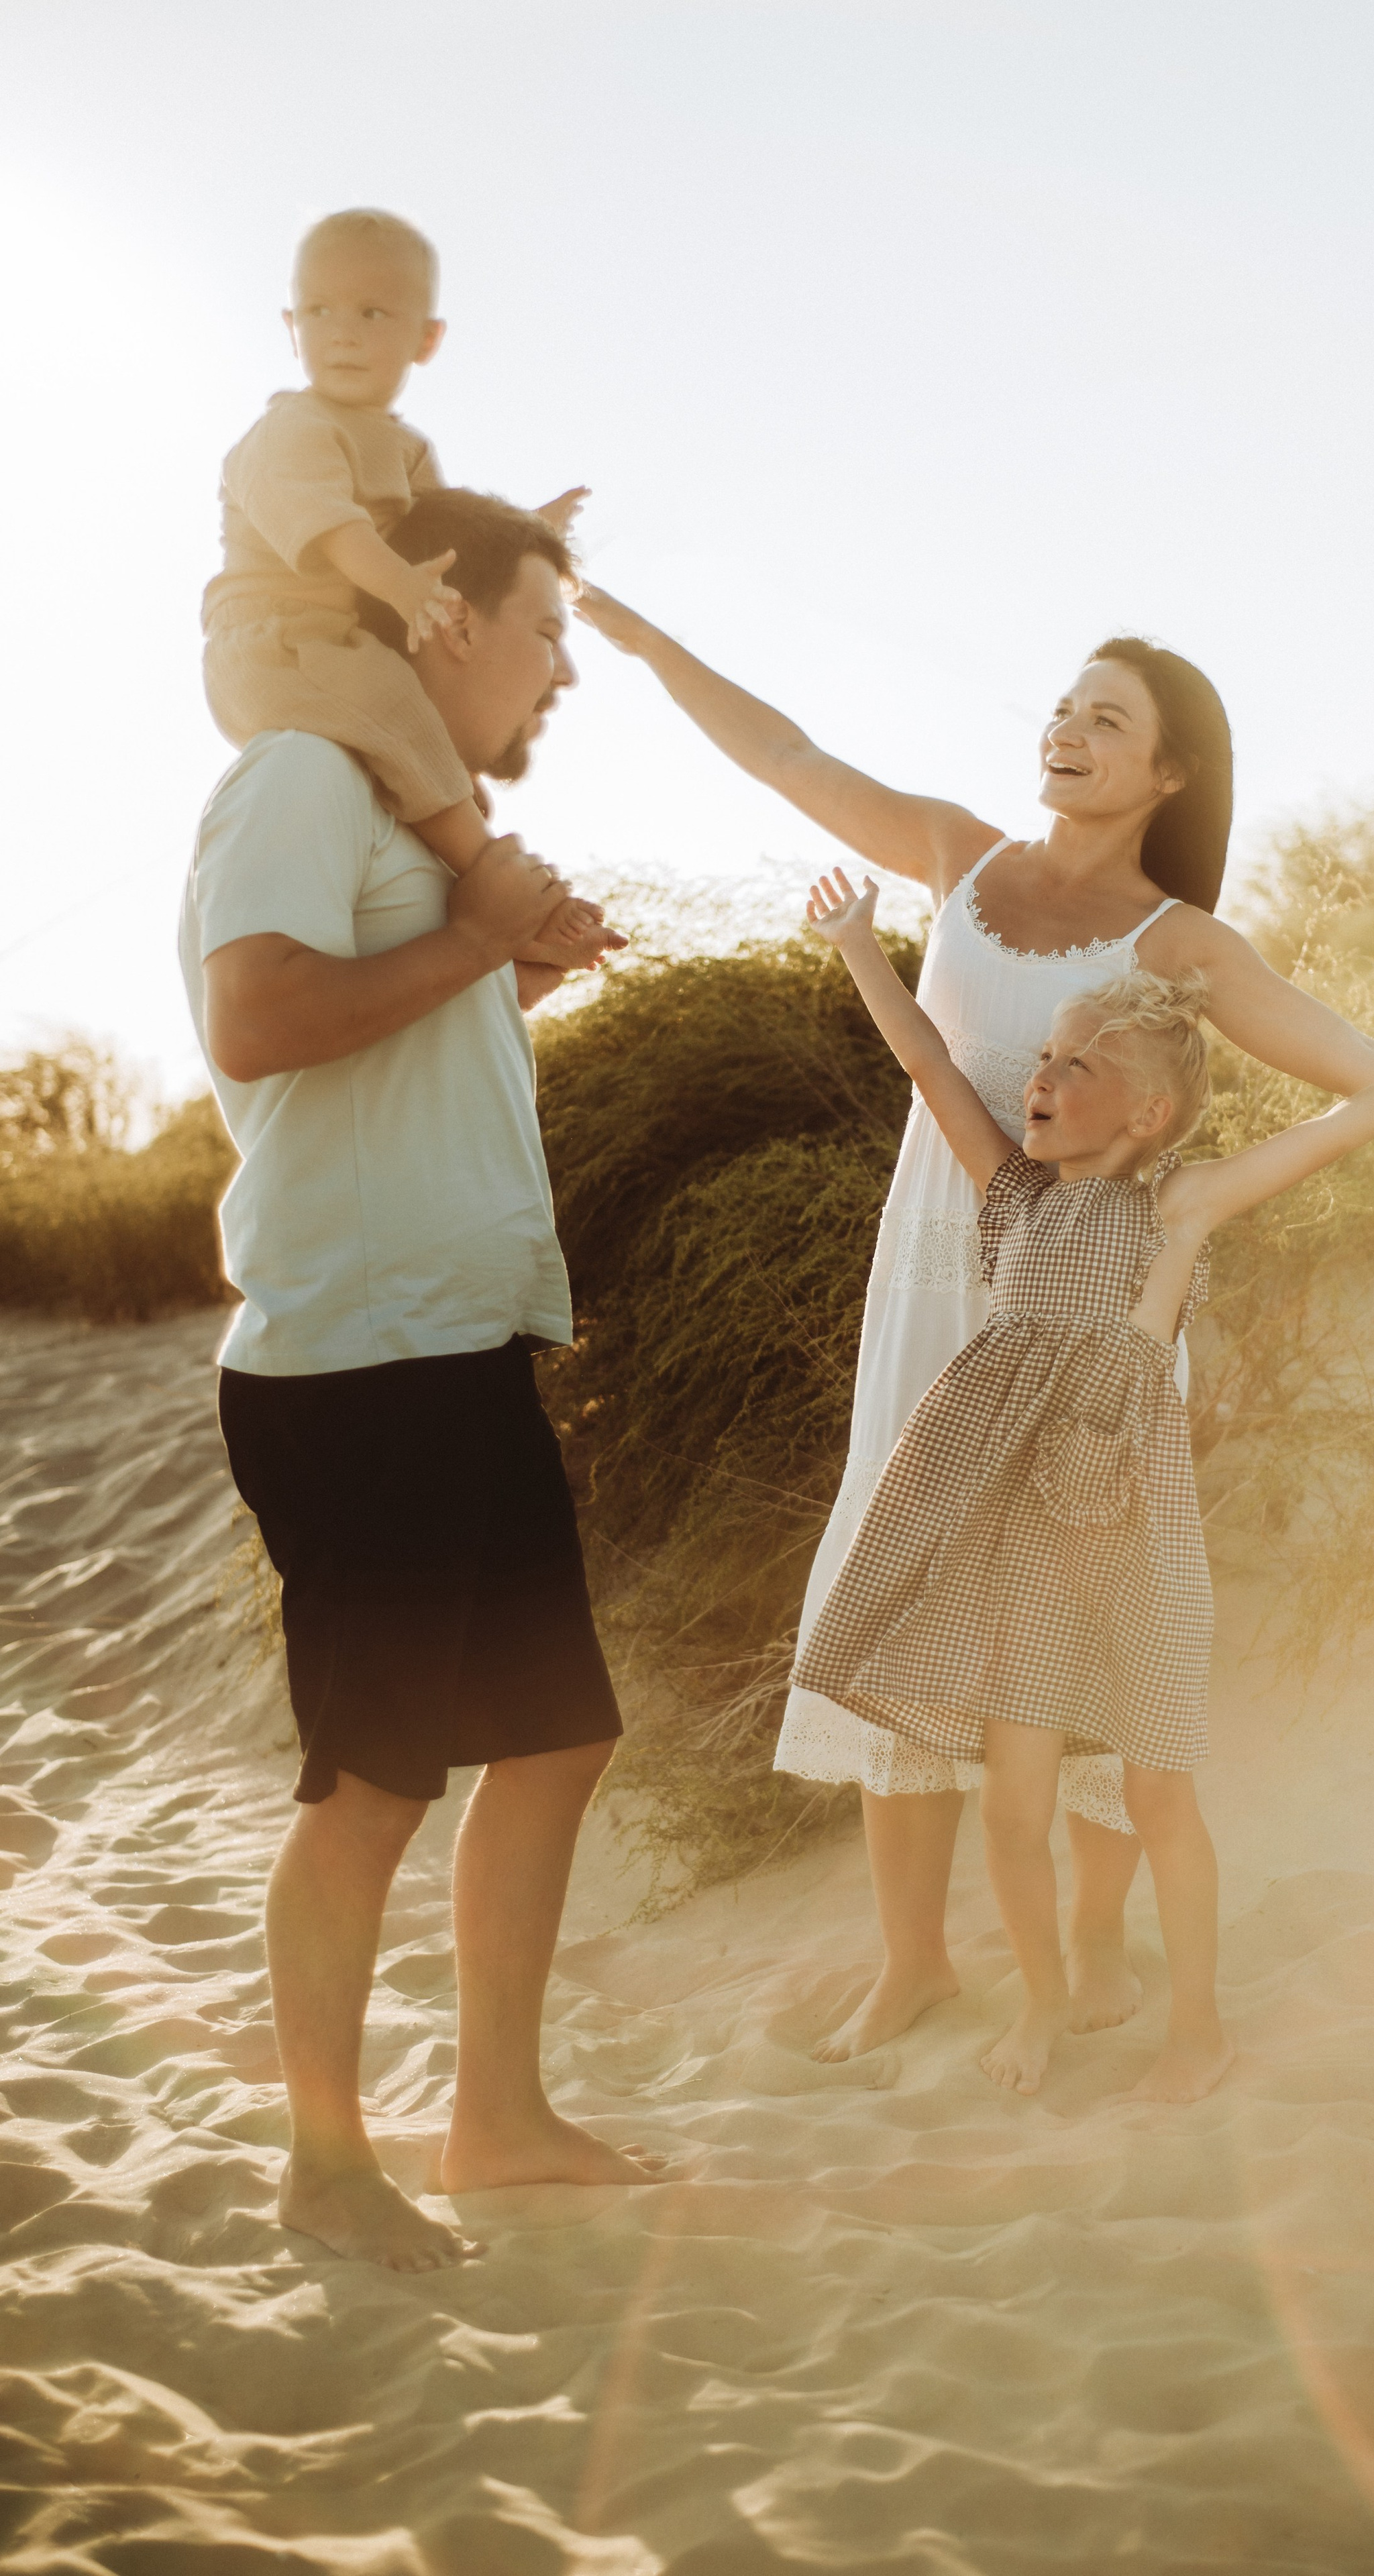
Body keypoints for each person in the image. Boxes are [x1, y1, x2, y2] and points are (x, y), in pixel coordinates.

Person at [573, 587, 1374, 2065]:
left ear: (1167, 776)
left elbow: (1360, 1066)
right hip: (940, 1267)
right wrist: (645, 648)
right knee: (897, 1572)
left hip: (1092, 1305)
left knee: (1078, 1611)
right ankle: (910, 1963)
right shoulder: (959, 857)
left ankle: (1090, 1952)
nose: (1067, 732)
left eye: (1107, 720)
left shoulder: (1180, 944)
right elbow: (782, 751)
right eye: (1062, 706)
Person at [796, 867, 1374, 2099]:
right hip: (1011, 1534)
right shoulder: (1012, 1195)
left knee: (1156, 1794)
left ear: (1148, 1115)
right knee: (1010, 1803)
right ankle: (1042, 2004)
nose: (1038, 1079)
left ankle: (1198, 2025)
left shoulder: (1181, 1210)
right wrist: (854, 946)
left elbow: (1353, 1120)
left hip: (1122, 1535)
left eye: (1073, 1067)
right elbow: (931, 1065)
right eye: (1045, 1057)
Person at [182, 488, 643, 2275]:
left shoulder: (405, 823)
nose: (562, 674)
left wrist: (505, 968)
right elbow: (255, 1018)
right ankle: (326, 2164)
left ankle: (497, 2121)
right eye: (544, 631)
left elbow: (385, 1031)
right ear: (444, 616)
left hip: (452, 1345)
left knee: (557, 1737)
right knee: (373, 1786)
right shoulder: (301, 773)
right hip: (353, 1363)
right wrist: (475, 942)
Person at [203, 205, 590, 959]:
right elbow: (337, 531)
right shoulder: (292, 432)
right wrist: (407, 589)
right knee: (396, 716)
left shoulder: (405, 446)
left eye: (372, 312)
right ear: (290, 326)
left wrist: (531, 531)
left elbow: (447, 536)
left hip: (338, 640)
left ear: (426, 339)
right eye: (319, 311)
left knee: (433, 760)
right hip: (273, 643)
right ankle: (492, 873)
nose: (342, 331)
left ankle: (480, 897)